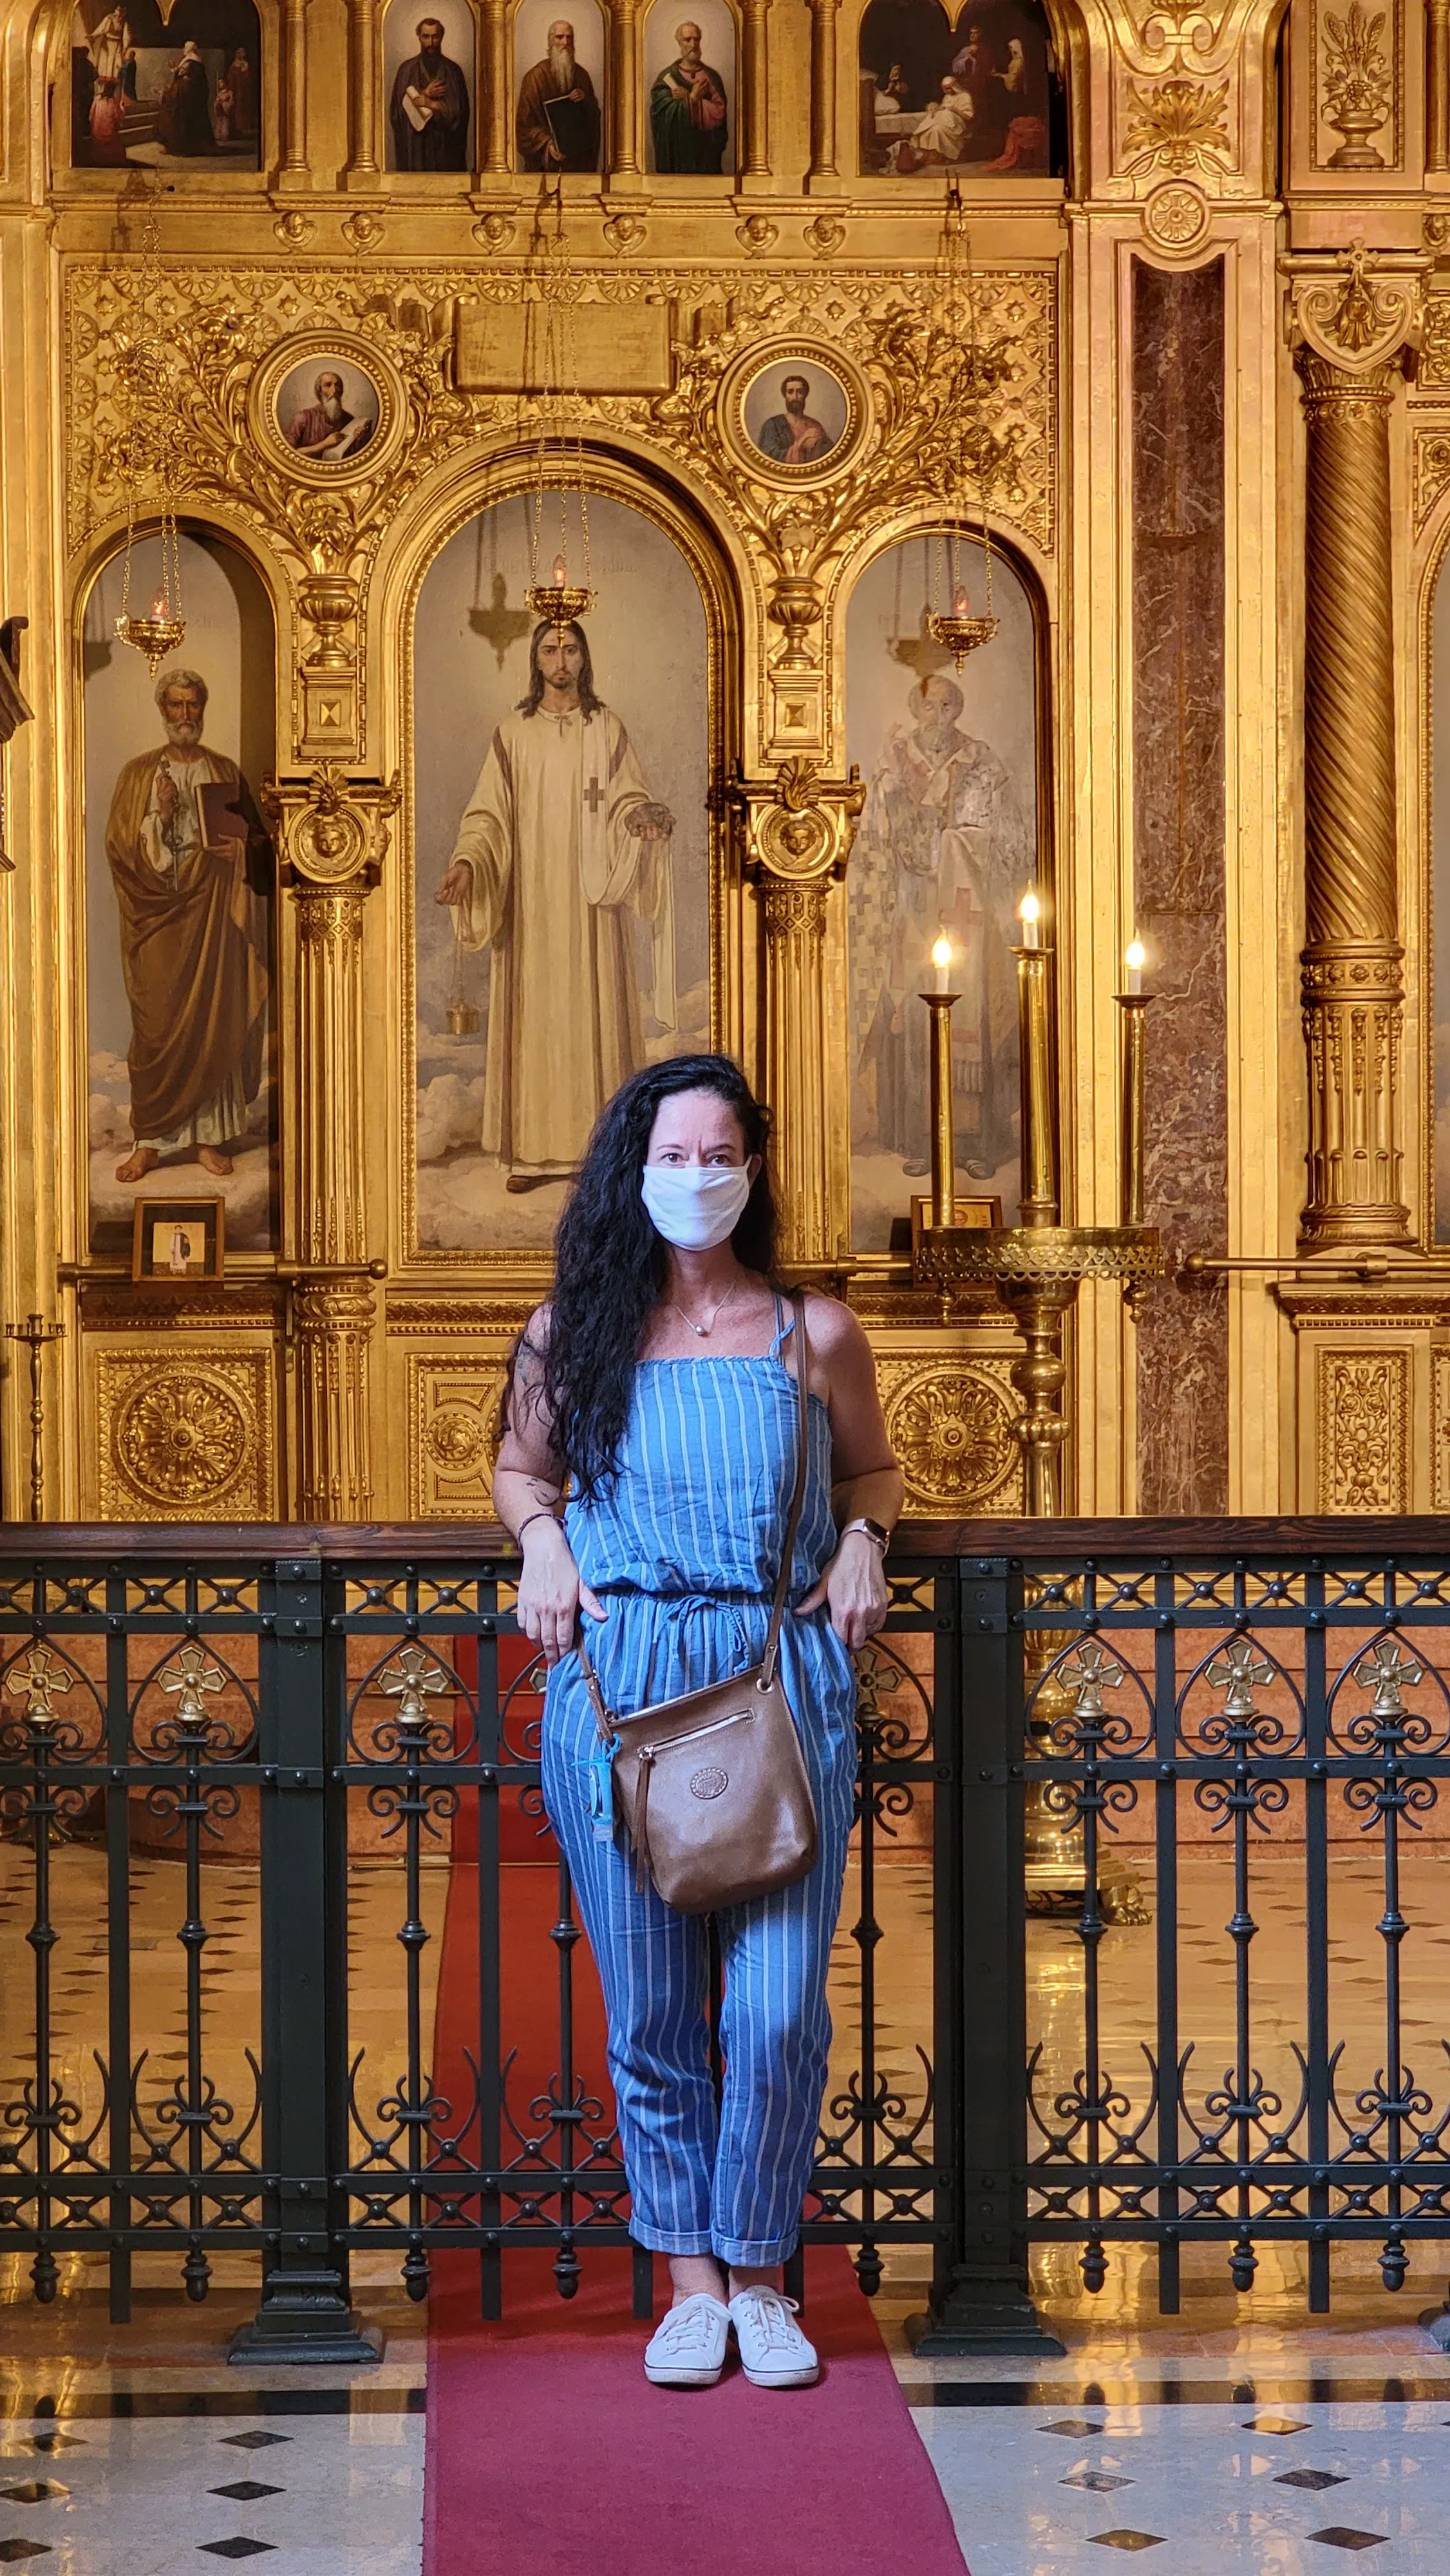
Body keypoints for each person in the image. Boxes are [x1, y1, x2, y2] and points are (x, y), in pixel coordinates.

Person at [494, 1054, 903, 2391]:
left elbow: (873, 1467)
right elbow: (518, 1465)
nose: (696, 1176)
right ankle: (690, 2278)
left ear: (753, 1170)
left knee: (779, 2009)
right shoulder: (572, 1331)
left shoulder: (813, 1333)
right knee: (657, 2012)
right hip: (621, 1692)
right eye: (672, 1155)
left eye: (718, 1153)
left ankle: (764, 2273)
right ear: (634, 1169)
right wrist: (542, 1540)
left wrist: (860, 1538)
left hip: (781, 1679)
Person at [435, 619, 675, 1193]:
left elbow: (628, 797)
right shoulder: (513, 733)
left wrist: (640, 816)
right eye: (549, 649)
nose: (560, 659)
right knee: (536, 1019)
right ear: (536, 661)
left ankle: (602, 1155)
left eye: (570, 648)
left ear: (584, 657)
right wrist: (469, 863)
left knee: (595, 1015)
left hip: (594, 906)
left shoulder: (607, 728)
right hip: (532, 907)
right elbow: (487, 814)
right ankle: (535, 1156)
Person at [850, 668, 1029, 1180]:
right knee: (913, 1019)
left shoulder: (980, 761)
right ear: (916, 710)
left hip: (967, 908)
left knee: (973, 1013)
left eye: (948, 706)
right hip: (915, 906)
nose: (939, 716)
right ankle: (920, 1140)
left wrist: (959, 842)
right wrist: (888, 786)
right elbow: (879, 832)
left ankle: (977, 1142)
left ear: (959, 710)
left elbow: (1002, 832)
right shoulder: (896, 759)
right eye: (930, 707)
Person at [103, 667, 270, 1186]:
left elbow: (261, 846)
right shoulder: (138, 776)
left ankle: (206, 1138)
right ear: (162, 710)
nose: (185, 715)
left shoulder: (225, 771)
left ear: (203, 707)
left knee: (212, 1021)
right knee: (156, 1024)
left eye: (193, 705)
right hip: (158, 921)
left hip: (215, 917)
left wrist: (239, 851)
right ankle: (150, 1141)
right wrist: (162, 815)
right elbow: (121, 848)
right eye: (175, 705)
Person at [516, 17, 601, 170]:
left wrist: (586, 100)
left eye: (569, 37)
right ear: (550, 42)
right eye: (559, 37)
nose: (565, 43)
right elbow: (524, 126)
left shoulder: (582, 75)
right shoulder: (535, 77)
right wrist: (548, 144)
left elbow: (594, 119)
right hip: (543, 166)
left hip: (577, 165)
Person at [389, 15, 471, 171]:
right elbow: (397, 114)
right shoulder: (407, 70)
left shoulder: (453, 71)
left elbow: (461, 114)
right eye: (426, 37)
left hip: (445, 149)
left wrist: (433, 105)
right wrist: (423, 94)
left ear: (441, 37)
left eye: (435, 37)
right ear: (419, 38)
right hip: (416, 149)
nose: (431, 43)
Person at [650, 21, 728, 173]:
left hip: (705, 152)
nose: (693, 44)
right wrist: (689, 101)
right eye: (688, 39)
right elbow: (660, 115)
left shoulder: (711, 77)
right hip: (679, 153)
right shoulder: (667, 77)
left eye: (697, 39)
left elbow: (720, 113)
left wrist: (693, 100)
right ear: (680, 43)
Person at [285, 368, 374, 459]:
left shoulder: (349, 420)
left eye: (337, 385)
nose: (334, 390)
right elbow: (287, 453)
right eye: (328, 385)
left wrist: (358, 440)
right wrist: (324, 444)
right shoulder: (303, 418)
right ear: (320, 391)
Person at [755, 372, 834, 466]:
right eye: (790, 392)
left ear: (805, 395)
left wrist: (819, 443)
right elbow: (767, 458)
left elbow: (829, 456)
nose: (795, 397)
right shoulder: (772, 425)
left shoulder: (815, 425)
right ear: (785, 395)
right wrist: (801, 443)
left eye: (800, 392)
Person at [157, 39, 216, 156]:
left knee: (169, 117)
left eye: (185, 48)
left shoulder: (191, 62)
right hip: (189, 99)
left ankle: (176, 148)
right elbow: (182, 74)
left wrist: (167, 93)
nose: (183, 50)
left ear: (189, 49)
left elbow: (184, 77)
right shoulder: (195, 62)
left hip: (184, 99)